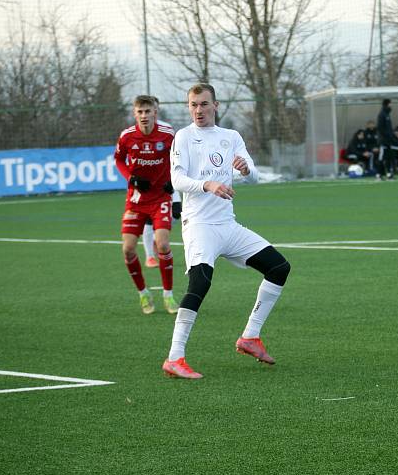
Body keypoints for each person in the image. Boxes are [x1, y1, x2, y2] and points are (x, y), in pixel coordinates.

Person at [162, 83, 291, 379]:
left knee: (279, 267)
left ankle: (250, 337)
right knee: (200, 284)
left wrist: (246, 170)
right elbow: (177, 179)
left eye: (204, 104)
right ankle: (174, 358)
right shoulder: (183, 137)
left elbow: (254, 178)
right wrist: (207, 184)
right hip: (199, 226)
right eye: (193, 105)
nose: (198, 110)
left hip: (227, 226)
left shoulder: (230, 137)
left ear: (215, 105)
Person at [114, 95, 179, 315]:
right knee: (128, 249)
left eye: (147, 111)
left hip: (161, 197)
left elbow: (180, 158)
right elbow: (119, 160)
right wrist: (131, 179)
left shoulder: (168, 135)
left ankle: (168, 295)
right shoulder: (127, 137)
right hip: (136, 199)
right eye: (140, 112)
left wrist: (174, 181)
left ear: (155, 113)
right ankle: (143, 293)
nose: (144, 116)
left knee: (162, 245)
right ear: (135, 114)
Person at [376, 98, 394, 180]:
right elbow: (380, 128)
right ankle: (379, 174)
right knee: (381, 157)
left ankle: (389, 174)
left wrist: (391, 136)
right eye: (390, 104)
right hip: (383, 141)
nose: (391, 105)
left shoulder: (387, 114)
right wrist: (386, 136)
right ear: (387, 104)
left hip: (388, 141)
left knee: (389, 157)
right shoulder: (381, 114)